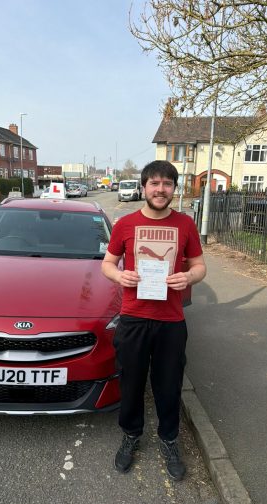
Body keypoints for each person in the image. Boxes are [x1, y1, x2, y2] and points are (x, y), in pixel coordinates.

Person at [101, 160, 206, 481]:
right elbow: (107, 263)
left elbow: (200, 266)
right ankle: (131, 435)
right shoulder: (125, 224)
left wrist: (188, 276)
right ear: (144, 187)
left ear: (174, 188)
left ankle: (169, 439)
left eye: (167, 184)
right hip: (133, 319)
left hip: (171, 320)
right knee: (131, 383)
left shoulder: (185, 224)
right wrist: (121, 276)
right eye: (155, 183)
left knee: (168, 385)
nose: (161, 190)